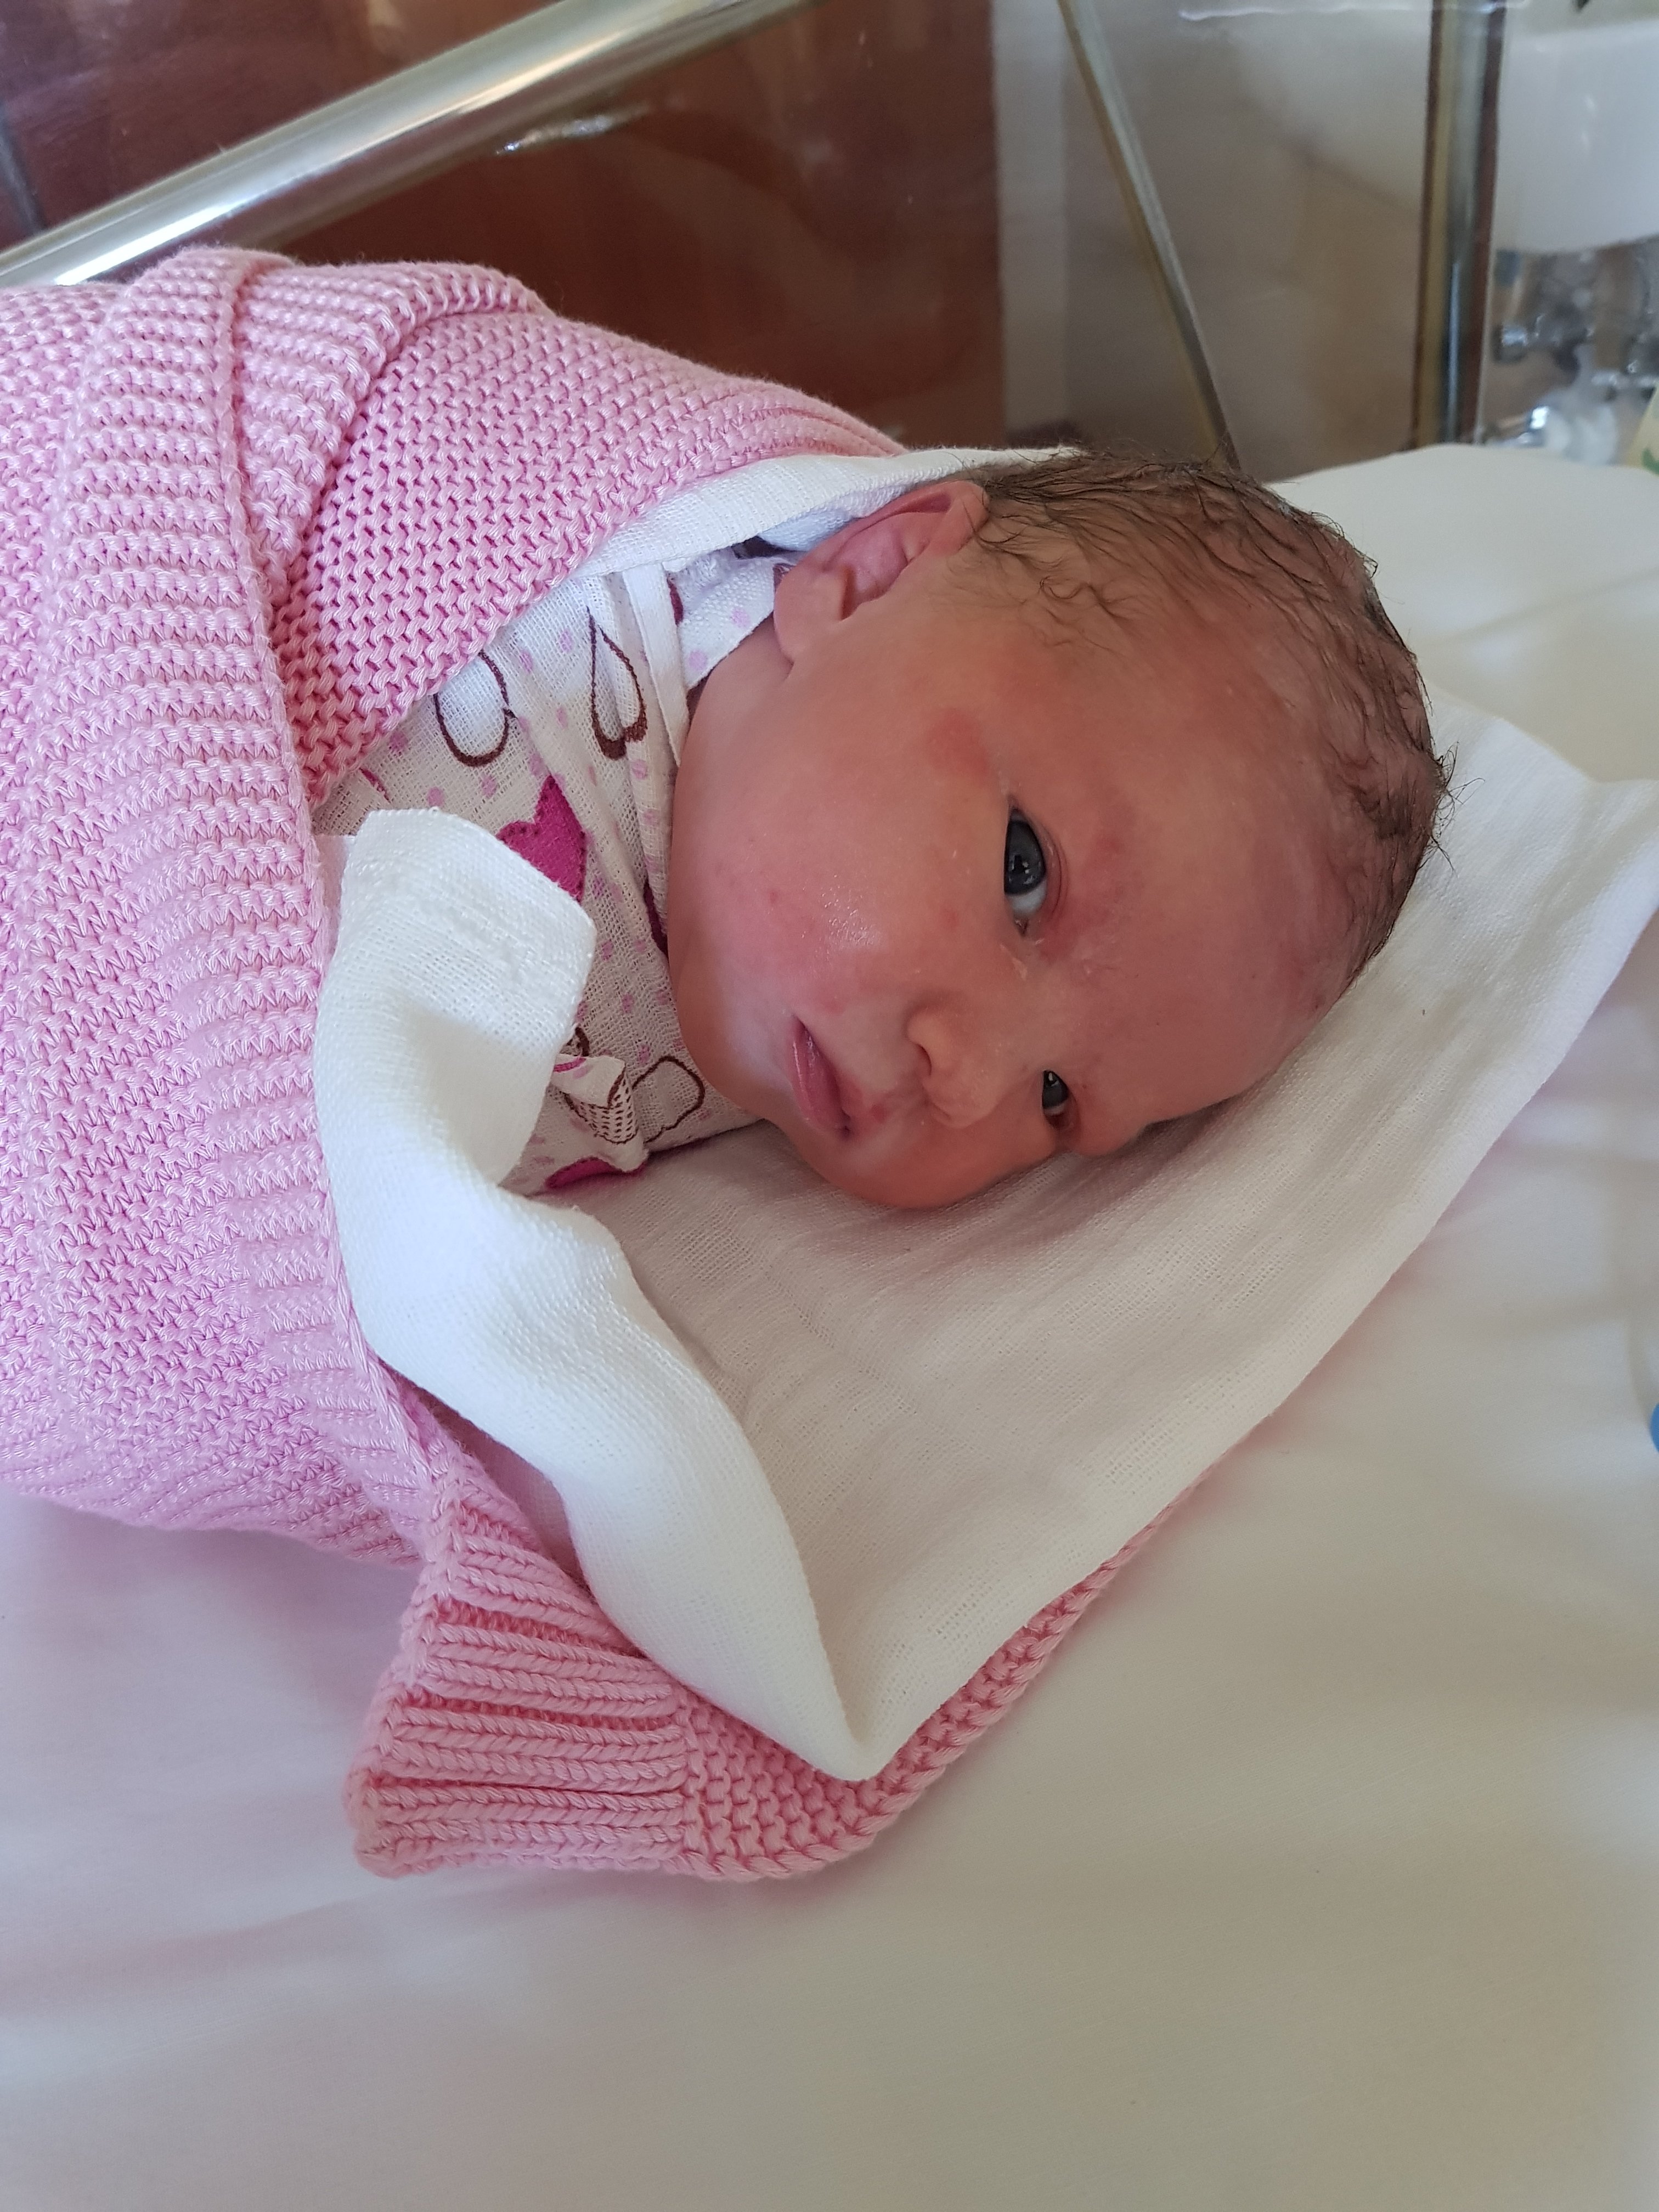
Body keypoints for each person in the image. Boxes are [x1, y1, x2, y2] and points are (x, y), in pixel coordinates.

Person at [317, 448, 1444, 1209]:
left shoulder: (783, 1007)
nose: (967, 1084)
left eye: (1056, 1098)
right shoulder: (536, 632)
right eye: (1022, 875)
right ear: (869, 578)